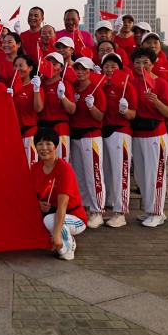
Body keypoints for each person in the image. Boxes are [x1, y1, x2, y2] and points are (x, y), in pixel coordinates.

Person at [129, 47, 168, 227]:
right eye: (137, 62)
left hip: (155, 134)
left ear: (153, 64)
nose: (141, 66)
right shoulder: (132, 83)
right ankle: (150, 209)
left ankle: (157, 212)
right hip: (137, 134)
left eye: (145, 63)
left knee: (155, 174)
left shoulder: (161, 84)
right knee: (141, 175)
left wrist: (156, 101)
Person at [31, 128, 88, 261]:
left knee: (50, 220)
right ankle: (57, 236)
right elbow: (30, 196)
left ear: (55, 146)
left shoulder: (64, 169)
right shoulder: (35, 168)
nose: (44, 148)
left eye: (48, 144)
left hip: (74, 217)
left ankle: (67, 245)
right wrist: (38, 204)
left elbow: (63, 205)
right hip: (50, 213)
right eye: (40, 144)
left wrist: (57, 234)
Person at [100, 53, 137, 228]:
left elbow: (133, 114)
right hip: (103, 132)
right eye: (106, 66)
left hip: (120, 132)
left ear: (120, 69)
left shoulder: (127, 87)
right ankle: (110, 206)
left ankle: (120, 212)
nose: (109, 69)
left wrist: (125, 110)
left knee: (120, 172)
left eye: (113, 67)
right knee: (107, 172)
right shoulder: (100, 86)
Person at [69, 57, 107, 229]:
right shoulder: (74, 87)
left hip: (91, 136)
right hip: (76, 135)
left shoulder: (96, 89)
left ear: (90, 71)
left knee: (93, 174)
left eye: (84, 69)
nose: (80, 72)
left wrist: (91, 106)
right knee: (79, 175)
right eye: (77, 68)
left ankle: (97, 211)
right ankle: (83, 207)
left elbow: (100, 117)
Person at [38, 52, 76, 161]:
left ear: (61, 68)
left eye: (54, 64)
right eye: (48, 64)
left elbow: (72, 110)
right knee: (44, 163)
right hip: (43, 128)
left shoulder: (65, 84)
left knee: (60, 163)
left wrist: (63, 97)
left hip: (60, 129)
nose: (51, 67)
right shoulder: (39, 83)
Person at [12, 55, 43, 165]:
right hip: (14, 134)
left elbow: (38, 109)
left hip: (29, 133)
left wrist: (36, 90)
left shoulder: (35, 86)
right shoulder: (11, 86)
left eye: (21, 65)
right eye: (15, 66)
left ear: (30, 68)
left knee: (30, 167)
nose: (17, 69)